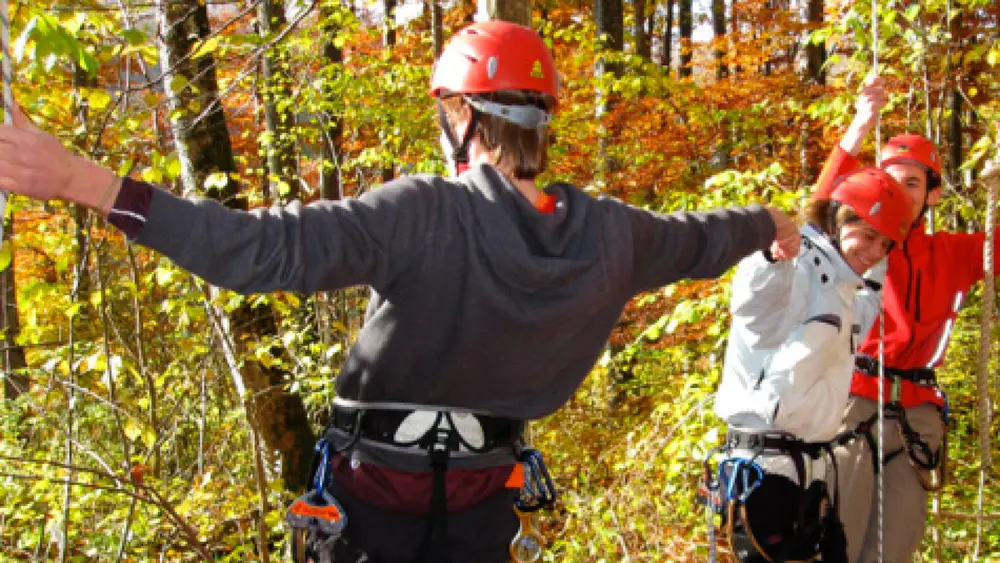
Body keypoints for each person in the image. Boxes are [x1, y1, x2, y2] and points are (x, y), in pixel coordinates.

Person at [0, 21, 800, 563]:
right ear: (540, 122)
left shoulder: (426, 212)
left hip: (371, 512)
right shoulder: (614, 235)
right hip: (483, 514)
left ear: (462, 115)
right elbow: (705, 237)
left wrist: (83, 179)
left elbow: (259, 252)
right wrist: (772, 217)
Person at [815, 76, 999, 562]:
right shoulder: (856, 247)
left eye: (913, 183)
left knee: (893, 549)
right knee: (835, 540)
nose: (899, 191)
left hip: (916, 413)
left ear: (933, 196)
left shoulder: (953, 255)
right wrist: (859, 127)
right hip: (853, 401)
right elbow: (822, 205)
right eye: (891, 179)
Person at [711, 166, 911, 562]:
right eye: (868, 235)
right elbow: (755, 305)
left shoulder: (848, 289)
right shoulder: (799, 265)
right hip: (763, 474)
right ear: (836, 220)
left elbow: (871, 293)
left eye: (885, 244)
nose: (874, 251)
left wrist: (903, 189)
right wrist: (771, 257)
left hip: (810, 475)